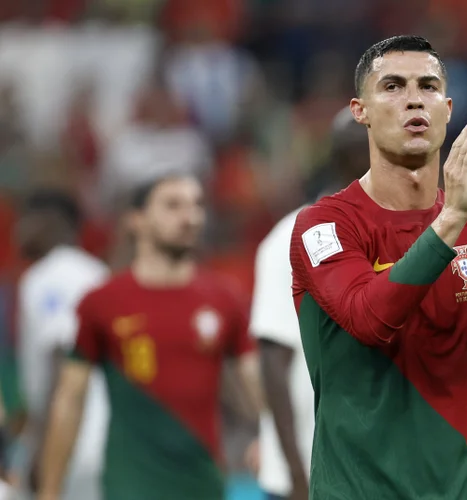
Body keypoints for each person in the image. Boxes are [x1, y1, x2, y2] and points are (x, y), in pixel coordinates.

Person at [289, 35, 467, 500]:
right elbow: (370, 320)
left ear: (447, 107)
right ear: (360, 110)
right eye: (393, 86)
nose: (414, 98)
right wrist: (449, 222)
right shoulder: (324, 225)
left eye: (428, 86)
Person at [37, 175, 262, 500]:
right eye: (173, 205)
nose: (190, 217)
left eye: (197, 205)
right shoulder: (102, 303)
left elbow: (252, 384)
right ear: (136, 220)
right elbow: (70, 399)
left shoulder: (225, 300)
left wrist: (268, 437)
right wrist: (50, 490)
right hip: (130, 484)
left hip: (204, 482)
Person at [253, 107, 370, 500]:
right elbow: (273, 362)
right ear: (350, 156)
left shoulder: (394, 235)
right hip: (309, 472)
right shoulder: (291, 236)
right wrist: (298, 476)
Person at [15, 190, 109, 500]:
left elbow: (64, 356)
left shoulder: (48, 276)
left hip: (72, 443)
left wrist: (42, 449)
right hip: (107, 439)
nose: (18, 229)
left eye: (26, 218)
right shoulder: (97, 272)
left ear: (52, 222)